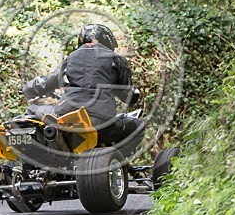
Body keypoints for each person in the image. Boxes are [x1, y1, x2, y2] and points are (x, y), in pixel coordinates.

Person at [21, 24, 145, 157]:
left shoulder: (72, 58)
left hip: (66, 114)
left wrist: (27, 89)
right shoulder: (115, 59)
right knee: (138, 125)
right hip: (102, 123)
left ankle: (27, 153)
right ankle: (117, 161)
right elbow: (130, 96)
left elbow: (46, 82)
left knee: (32, 111)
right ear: (108, 42)